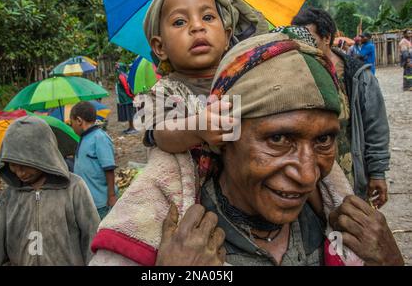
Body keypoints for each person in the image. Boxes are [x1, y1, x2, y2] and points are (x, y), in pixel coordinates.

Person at [89, 32, 403, 266]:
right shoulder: (175, 240)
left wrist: (390, 261)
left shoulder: (338, 229)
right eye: (279, 140)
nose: (308, 175)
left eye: (323, 140)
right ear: (222, 138)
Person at [137, 0, 268, 154]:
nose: (197, 26)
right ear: (160, 47)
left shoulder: (250, 77)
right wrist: (194, 129)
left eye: (207, 17)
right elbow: (160, 135)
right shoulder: (163, 92)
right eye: (180, 22)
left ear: (227, 36)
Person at [292, 8, 390, 208]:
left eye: (308, 38)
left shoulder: (358, 77)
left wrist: (377, 173)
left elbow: (375, 127)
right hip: (308, 175)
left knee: (350, 224)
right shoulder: (295, 72)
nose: (301, 45)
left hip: (349, 175)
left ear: (327, 38)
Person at [0, 116, 99, 265]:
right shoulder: (9, 196)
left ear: (44, 157)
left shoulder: (74, 188)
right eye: (13, 166)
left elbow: (92, 236)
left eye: (25, 166)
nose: (20, 173)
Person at [70, 101, 118, 219]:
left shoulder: (99, 137)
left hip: (102, 200)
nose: (72, 127)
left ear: (79, 121)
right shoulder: (84, 138)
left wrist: (111, 195)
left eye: (71, 123)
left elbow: (109, 168)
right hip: (89, 199)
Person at [115, 63, 138, 135]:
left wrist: (130, 95)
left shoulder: (122, 76)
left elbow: (126, 87)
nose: (116, 69)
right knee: (129, 113)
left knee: (130, 113)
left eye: (117, 68)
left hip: (127, 98)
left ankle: (133, 128)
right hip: (125, 98)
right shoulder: (124, 75)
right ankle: (130, 127)